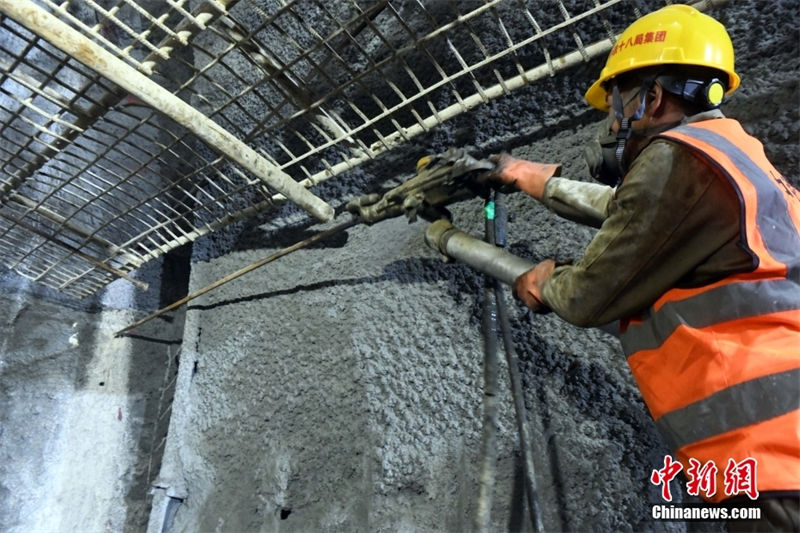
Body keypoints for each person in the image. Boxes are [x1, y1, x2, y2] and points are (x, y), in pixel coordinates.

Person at [486, 4, 800, 531]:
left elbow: (590, 296)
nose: (611, 124)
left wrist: (546, 281)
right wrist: (536, 179)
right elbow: (630, 213)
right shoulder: (735, 158)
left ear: (652, 98)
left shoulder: (676, 159)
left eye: (615, 105)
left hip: (771, 458)